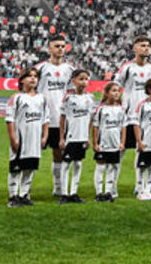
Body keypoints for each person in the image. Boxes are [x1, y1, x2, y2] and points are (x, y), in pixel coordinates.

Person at [114, 36, 151, 186]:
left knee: (143, 150)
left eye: (148, 45)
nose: (146, 48)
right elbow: (114, 87)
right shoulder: (127, 68)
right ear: (135, 48)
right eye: (142, 45)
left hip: (146, 117)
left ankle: (140, 186)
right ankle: (111, 186)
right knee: (120, 150)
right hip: (128, 116)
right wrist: (119, 105)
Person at [35, 36, 74, 199]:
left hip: (61, 119)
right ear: (49, 48)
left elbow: (71, 93)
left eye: (62, 46)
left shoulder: (70, 70)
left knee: (59, 153)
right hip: (41, 118)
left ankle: (58, 187)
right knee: (31, 152)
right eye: (56, 46)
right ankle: (22, 190)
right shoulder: (40, 68)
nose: (60, 49)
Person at [6, 67, 48, 207]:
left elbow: (45, 119)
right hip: (21, 138)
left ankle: (24, 195)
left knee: (30, 168)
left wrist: (44, 136)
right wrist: (13, 138)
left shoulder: (42, 98)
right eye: (29, 76)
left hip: (35, 139)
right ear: (22, 80)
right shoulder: (16, 98)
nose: (33, 78)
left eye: (35, 76)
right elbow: (10, 120)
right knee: (16, 169)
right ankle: (13, 197)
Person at [58, 69, 94, 204]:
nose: (84, 82)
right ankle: (64, 194)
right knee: (66, 164)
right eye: (81, 79)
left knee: (78, 163)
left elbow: (90, 119)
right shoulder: (68, 98)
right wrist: (61, 137)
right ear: (74, 81)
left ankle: (74, 192)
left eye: (86, 79)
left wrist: (88, 137)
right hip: (70, 136)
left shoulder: (90, 98)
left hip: (82, 136)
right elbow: (62, 118)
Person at [91, 82, 125, 202]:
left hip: (115, 144)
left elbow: (123, 127)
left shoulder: (121, 110)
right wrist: (95, 143)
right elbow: (95, 127)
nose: (116, 93)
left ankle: (108, 192)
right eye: (113, 91)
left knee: (112, 168)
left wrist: (122, 142)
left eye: (118, 91)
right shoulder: (101, 109)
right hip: (103, 144)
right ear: (106, 93)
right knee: (100, 168)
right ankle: (99, 192)